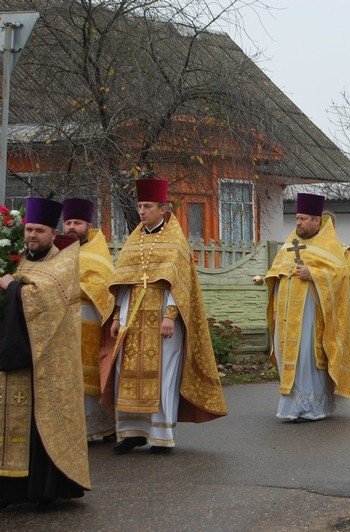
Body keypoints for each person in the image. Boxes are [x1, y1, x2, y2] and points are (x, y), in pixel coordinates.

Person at [107, 178, 227, 454]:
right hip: (132, 317)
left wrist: (170, 316)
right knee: (125, 373)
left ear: (163, 209)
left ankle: (161, 435)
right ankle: (133, 432)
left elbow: (180, 284)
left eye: (147, 206)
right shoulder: (133, 240)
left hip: (163, 317)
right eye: (139, 206)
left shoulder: (176, 242)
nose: (141, 211)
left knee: (164, 374)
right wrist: (116, 317)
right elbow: (123, 281)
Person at [0, 197, 90, 507]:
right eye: (28, 230)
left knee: (39, 425)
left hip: (48, 362)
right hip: (17, 354)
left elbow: (43, 298)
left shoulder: (64, 260)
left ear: (53, 233)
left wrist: (11, 287)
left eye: (38, 230)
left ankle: (43, 490)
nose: (32, 236)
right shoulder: (19, 259)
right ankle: (10, 489)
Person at [265, 193, 350, 420]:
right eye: (297, 218)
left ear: (317, 221)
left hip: (311, 314)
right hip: (287, 315)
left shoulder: (333, 249)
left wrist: (313, 274)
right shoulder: (290, 245)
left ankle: (311, 407)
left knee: (306, 356)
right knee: (288, 356)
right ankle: (291, 406)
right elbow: (275, 271)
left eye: (303, 218)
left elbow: (340, 278)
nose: (298, 222)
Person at [62, 198, 116, 442]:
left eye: (77, 223)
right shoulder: (58, 249)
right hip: (62, 323)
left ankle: (97, 429)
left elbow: (102, 283)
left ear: (88, 225)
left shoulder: (97, 249)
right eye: (68, 222)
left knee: (90, 377)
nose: (72, 227)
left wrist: (71, 287)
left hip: (90, 321)